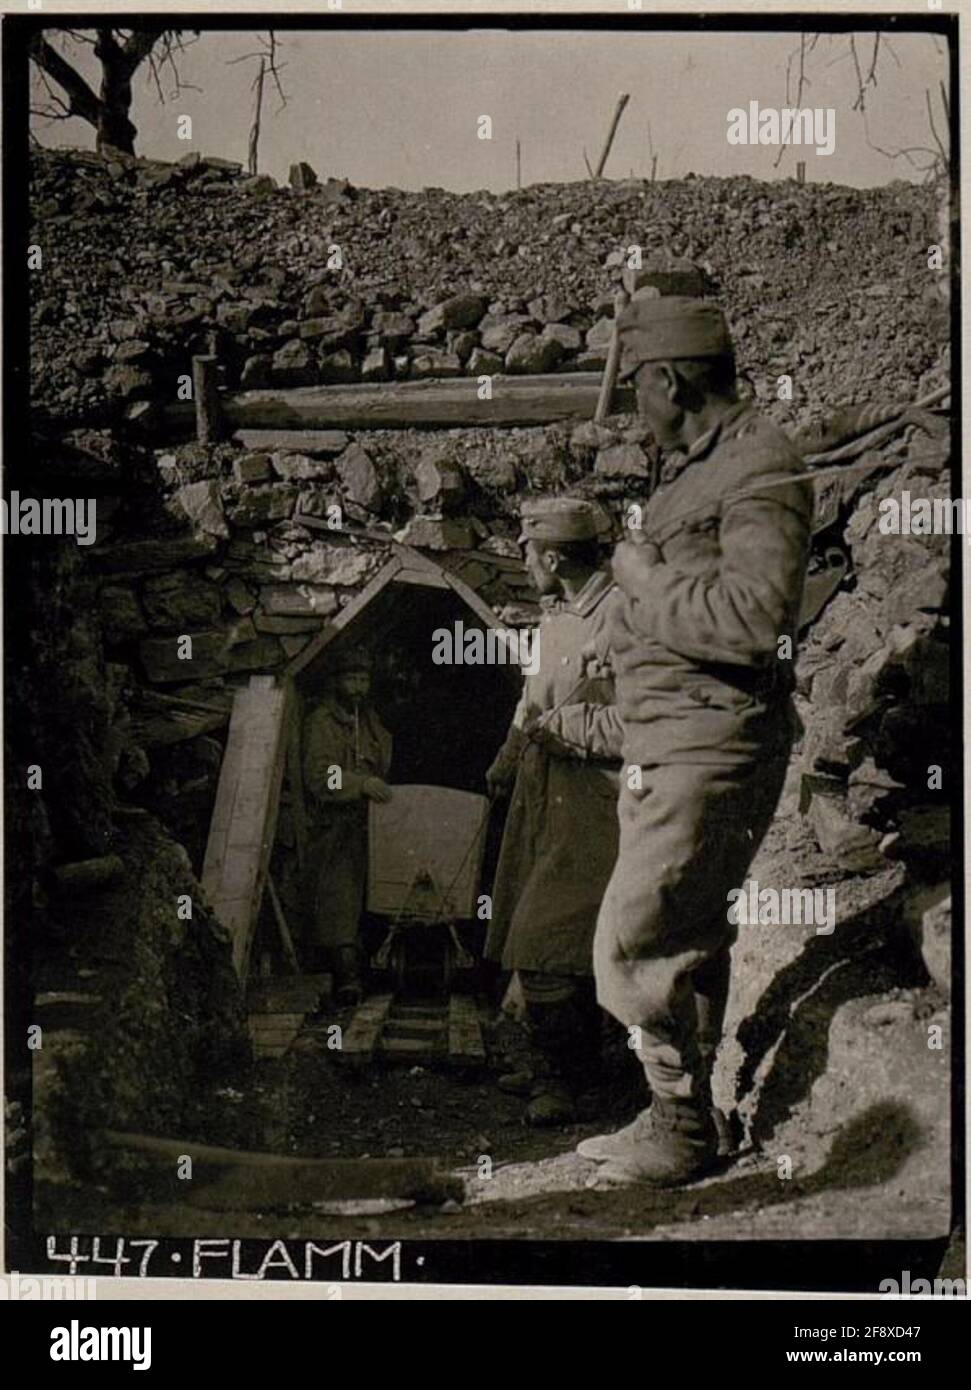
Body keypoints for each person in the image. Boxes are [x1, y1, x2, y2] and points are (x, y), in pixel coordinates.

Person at [580, 296, 813, 1185]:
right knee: (684, 932)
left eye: (637, 386)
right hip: (672, 740)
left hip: (706, 745)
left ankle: (677, 1127)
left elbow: (758, 622)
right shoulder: (698, 471)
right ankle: (683, 1117)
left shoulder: (757, 467)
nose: (636, 408)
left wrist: (640, 582)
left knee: (630, 940)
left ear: (667, 380)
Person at [484, 498, 625, 1125]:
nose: (522, 561)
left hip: (594, 806)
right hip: (541, 799)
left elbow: (649, 722)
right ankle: (560, 1065)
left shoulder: (624, 616)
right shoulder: (557, 618)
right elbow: (530, 700)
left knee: (546, 946)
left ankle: (576, 1083)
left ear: (554, 556)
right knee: (547, 938)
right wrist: (510, 751)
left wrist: (567, 727)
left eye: (526, 550)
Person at [302, 651, 392, 1005]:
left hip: (371, 825)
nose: (358, 688)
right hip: (335, 826)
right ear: (336, 682)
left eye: (363, 681)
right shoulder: (322, 721)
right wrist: (361, 784)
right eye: (351, 680)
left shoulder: (368, 720)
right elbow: (320, 775)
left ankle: (375, 971)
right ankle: (346, 977)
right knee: (340, 899)